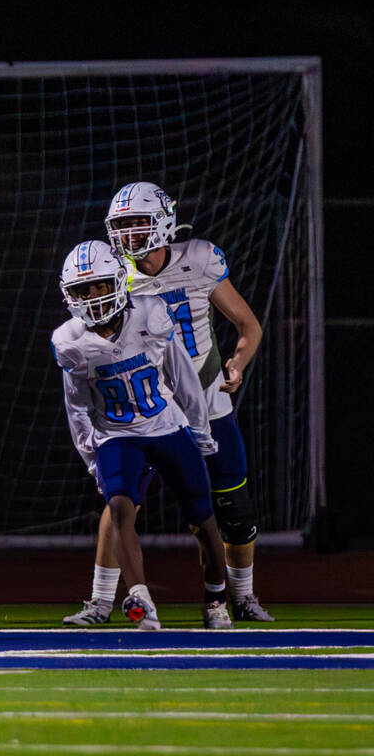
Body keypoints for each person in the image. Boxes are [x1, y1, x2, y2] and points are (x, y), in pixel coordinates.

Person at [64, 182, 273, 625]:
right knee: (120, 503)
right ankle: (101, 600)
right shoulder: (112, 271)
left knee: (230, 507)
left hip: (208, 400)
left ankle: (241, 597)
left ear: (162, 220)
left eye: (138, 223)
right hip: (148, 408)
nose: (130, 234)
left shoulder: (198, 259)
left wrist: (236, 364)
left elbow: (247, 325)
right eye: (121, 226)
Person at [52, 239, 232, 630]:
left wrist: (200, 431)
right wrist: (91, 455)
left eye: (99, 286)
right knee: (118, 508)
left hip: (167, 426)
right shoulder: (71, 341)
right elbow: (77, 406)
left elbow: (183, 378)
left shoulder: (150, 313)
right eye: (82, 290)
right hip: (117, 435)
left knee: (203, 519)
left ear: (117, 282)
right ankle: (140, 598)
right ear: (69, 294)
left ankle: (217, 599)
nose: (93, 297)